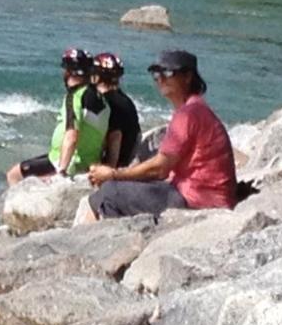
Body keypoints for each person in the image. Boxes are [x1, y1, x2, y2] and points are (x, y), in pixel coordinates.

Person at [85, 50, 236, 219]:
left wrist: (113, 174)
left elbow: (160, 169)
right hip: (199, 193)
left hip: (198, 200)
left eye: (168, 72)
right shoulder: (195, 109)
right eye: (156, 73)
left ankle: (117, 239)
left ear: (187, 77)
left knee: (109, 192)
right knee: (110, 191)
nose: (160, 79)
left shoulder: (189, 114)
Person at [6, 47, 111, 185]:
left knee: (14, 175)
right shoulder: (101, 100)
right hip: (90, 161)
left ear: (69, 72)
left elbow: (72, 135)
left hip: (68, 162)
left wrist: (61, 171)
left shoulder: (75, 97)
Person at [91, 52, 141, 167]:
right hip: (127, 159)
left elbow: (115, 138)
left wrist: (110, 171)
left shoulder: (109, 103)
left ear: (97, 76)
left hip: (116, 164)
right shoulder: (126, 100)